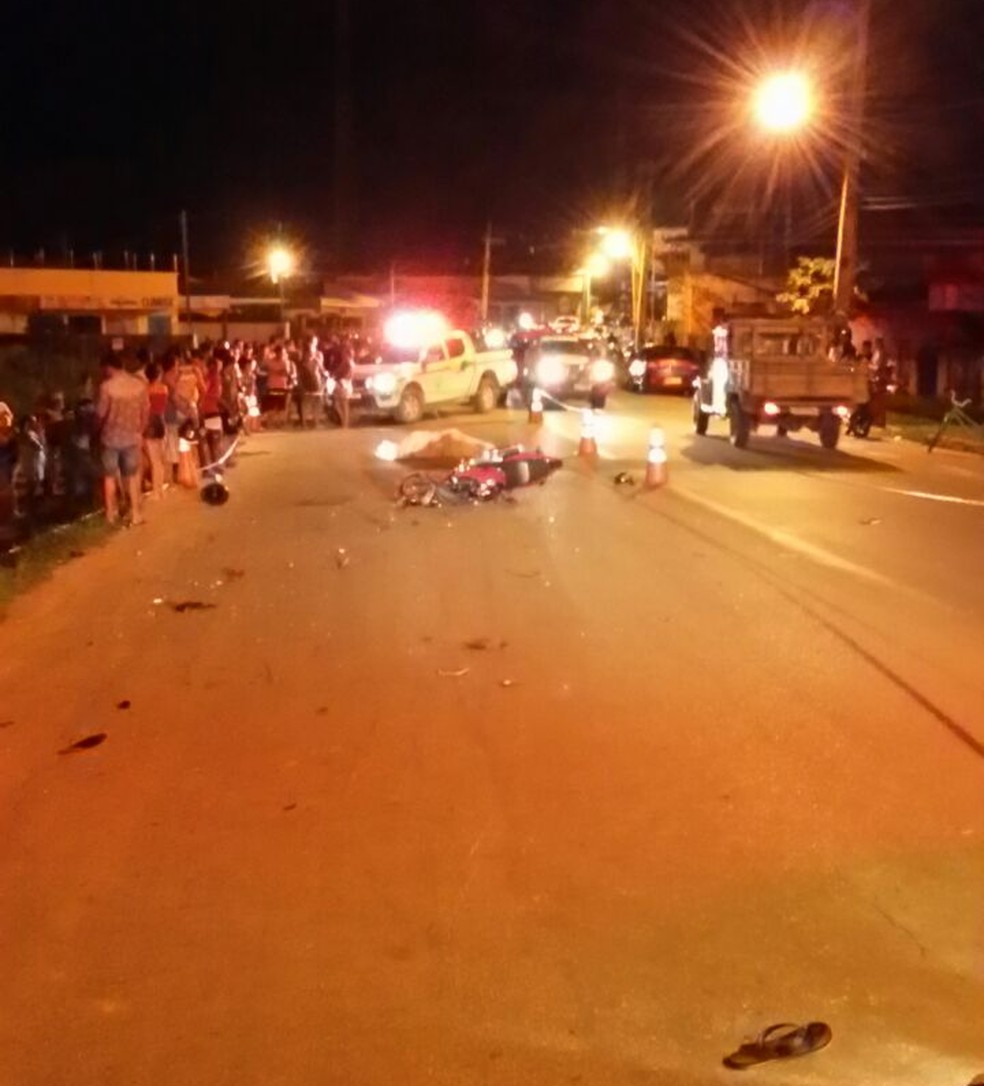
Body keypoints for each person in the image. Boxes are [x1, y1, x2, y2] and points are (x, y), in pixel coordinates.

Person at [96, 353, 149, 526]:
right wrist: (140, 431)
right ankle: (135, 514)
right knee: (132, 476)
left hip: (110, 438)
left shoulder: (106, 387)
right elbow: (145, 412)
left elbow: (100, 414)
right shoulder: (139, 386)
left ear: (109, 368)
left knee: (110, 477)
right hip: (132, 437)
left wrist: (96, 431)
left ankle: (111, 515)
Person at [144, 361, 169, 499]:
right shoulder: (164, 389)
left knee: (154, 461)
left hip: (150, 424)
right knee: (161, 459)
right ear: (158, 374)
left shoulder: (146, 390)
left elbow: (145, 408)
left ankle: (156, 491)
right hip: (161, 421)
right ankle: (161, 490)